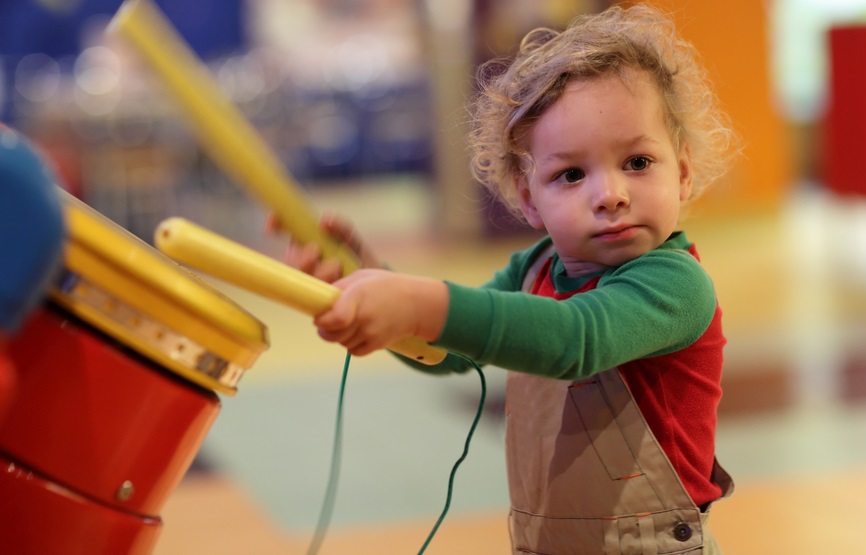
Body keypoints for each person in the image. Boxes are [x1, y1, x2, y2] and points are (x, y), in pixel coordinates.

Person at [273, 4, 738, 553]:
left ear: (681, 172)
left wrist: (417, 302)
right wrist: (372, 283)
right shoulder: (534, 269)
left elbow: (576, 338)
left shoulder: (674, 284)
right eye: (570, 174)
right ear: (528, 199)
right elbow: (448, 351)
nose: (610, 194)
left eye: (637, 162)